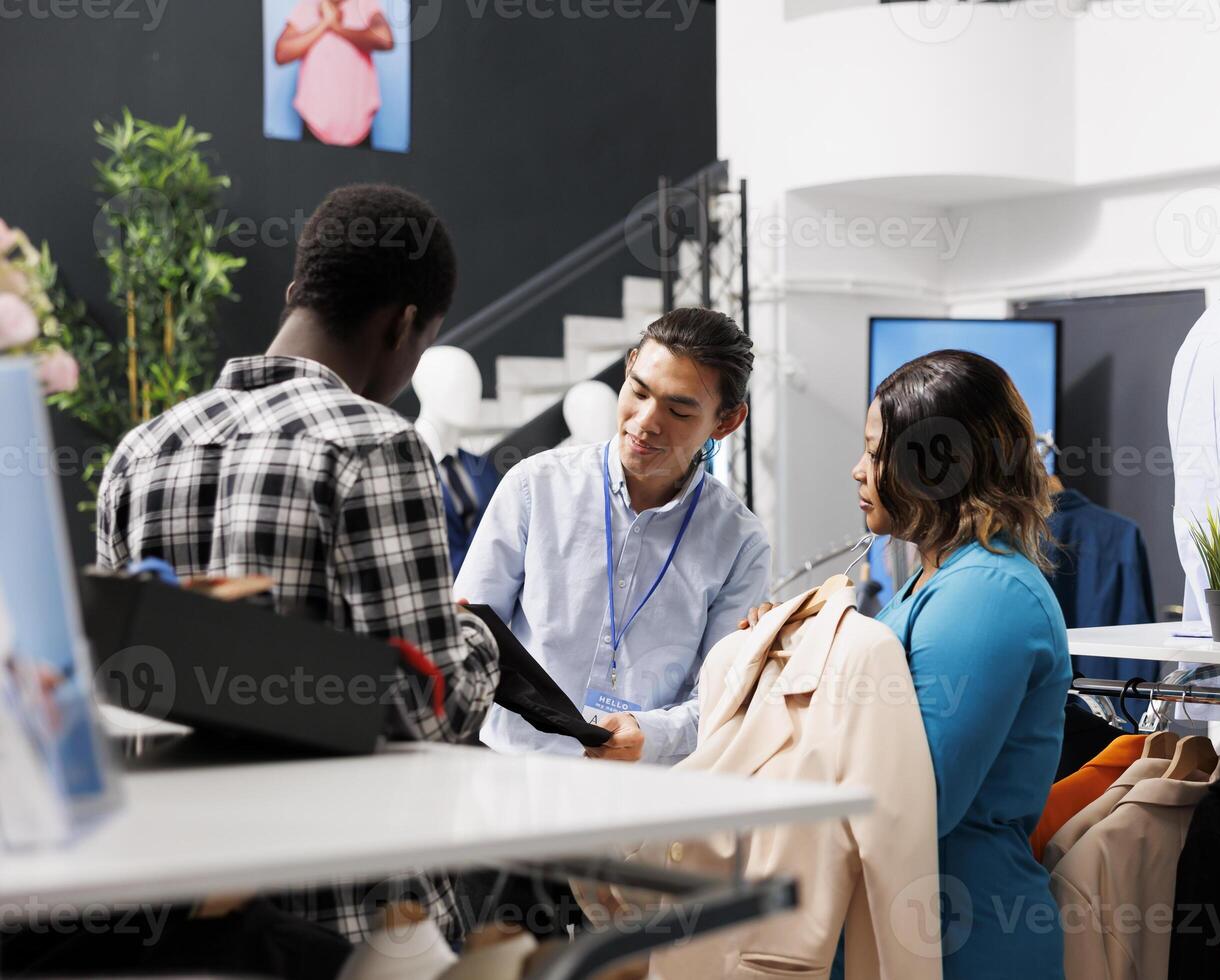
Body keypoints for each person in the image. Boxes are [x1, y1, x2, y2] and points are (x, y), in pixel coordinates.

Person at [94, 183, 499, 944]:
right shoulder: (377, 444)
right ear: (405, 324)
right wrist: (476, 638)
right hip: (356, 909)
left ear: (295, 293)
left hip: (184, 904)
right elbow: (433, 706)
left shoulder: (140, 451)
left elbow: (124, 688)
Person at [746, 349, 1071, 978]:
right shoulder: (935, 581)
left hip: (961, 943)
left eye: (874, 452)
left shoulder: (985, 595)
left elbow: (917, 797)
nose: (857, 471)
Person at [455, 307, 771, 766]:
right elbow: (469, 635)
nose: (646, 421)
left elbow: (724, 698)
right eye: (638, 391)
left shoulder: (740, 543)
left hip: (638, 800)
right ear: (627, 367)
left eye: (679, 410)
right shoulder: (535, 486)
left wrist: (653, 733)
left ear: (726, 422)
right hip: (511, 776)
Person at [274, 0, 393, 148]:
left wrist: (337, 27)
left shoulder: (365, 4)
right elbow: (282, 53)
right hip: (314, 127)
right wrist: (325, 23)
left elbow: (385, 39)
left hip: (361, 131)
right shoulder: (308, 6)